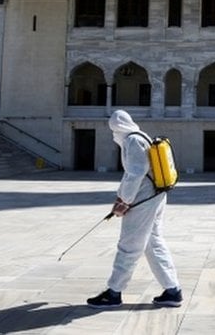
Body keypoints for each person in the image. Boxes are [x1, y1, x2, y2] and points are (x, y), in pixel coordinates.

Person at [86, 110, 183, 309]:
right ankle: (172, 290)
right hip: (154, 196)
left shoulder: (132, 141)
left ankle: (114, 292)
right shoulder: (141, 136)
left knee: (129, 245)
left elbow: (135, 174)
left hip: (143, 199)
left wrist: (124, 200)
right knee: (152, 243)